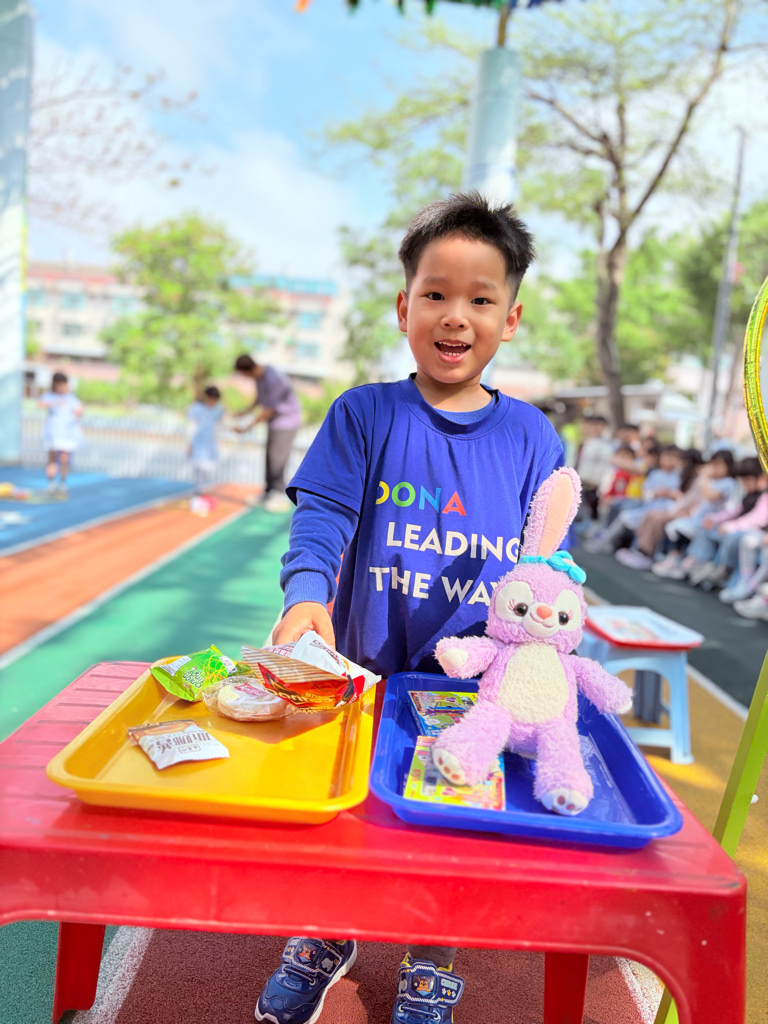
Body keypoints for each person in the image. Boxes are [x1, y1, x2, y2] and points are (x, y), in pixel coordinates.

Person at [253, 192, 564, 1024]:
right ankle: (327, 928)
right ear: (403, 308)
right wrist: (307, 595)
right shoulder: (364, 414)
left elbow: (546, 562)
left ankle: (433, 950)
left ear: (511, 318)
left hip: (473, 689)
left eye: (480, 298)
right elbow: (322, 515)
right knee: (343, 814)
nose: (455, 315)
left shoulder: (534, 438)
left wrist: (549, 634)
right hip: (363, 672)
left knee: (454, 823)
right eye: (435, 293)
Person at [233, 354, 302, 512]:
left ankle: (279, 495)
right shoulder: (259, 377)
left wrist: (246, 428)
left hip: (286, 422)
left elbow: (269, 410)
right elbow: (260, 399)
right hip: (275, 422)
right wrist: (244, 412)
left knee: (277, 459)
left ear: (247, 370)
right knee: (269, 458)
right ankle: (268, 492)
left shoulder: (272, 378)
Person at [39, 371, 83, 496]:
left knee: (64, 458)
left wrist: (77, 413)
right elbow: (41, 404)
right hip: (53, 432)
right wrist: (55, 403)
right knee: (52, 458)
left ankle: (62, 482)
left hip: (67, 433)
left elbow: (79, 410)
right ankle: (51, 483)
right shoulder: (49, 396)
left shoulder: (70, 398)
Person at [574, 414, 611, 521]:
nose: (596, 428)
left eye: (600, 426)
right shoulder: (585, 442)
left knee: (590, 518)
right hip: (580, 483)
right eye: (594, 425)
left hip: (593, 486)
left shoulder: (605, 446)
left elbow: (606, 468)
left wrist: (603, 487)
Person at [187, 385, 224, 494]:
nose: (212, 402)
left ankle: (201, 486)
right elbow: (191, 425)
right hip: (198, 439)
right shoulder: (197, 408)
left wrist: (218, 440)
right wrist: (189, 442)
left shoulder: (218, 409)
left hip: (210, 441)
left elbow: (219, 426)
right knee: (197, 465)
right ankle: (198, 488)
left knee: (208, 466)